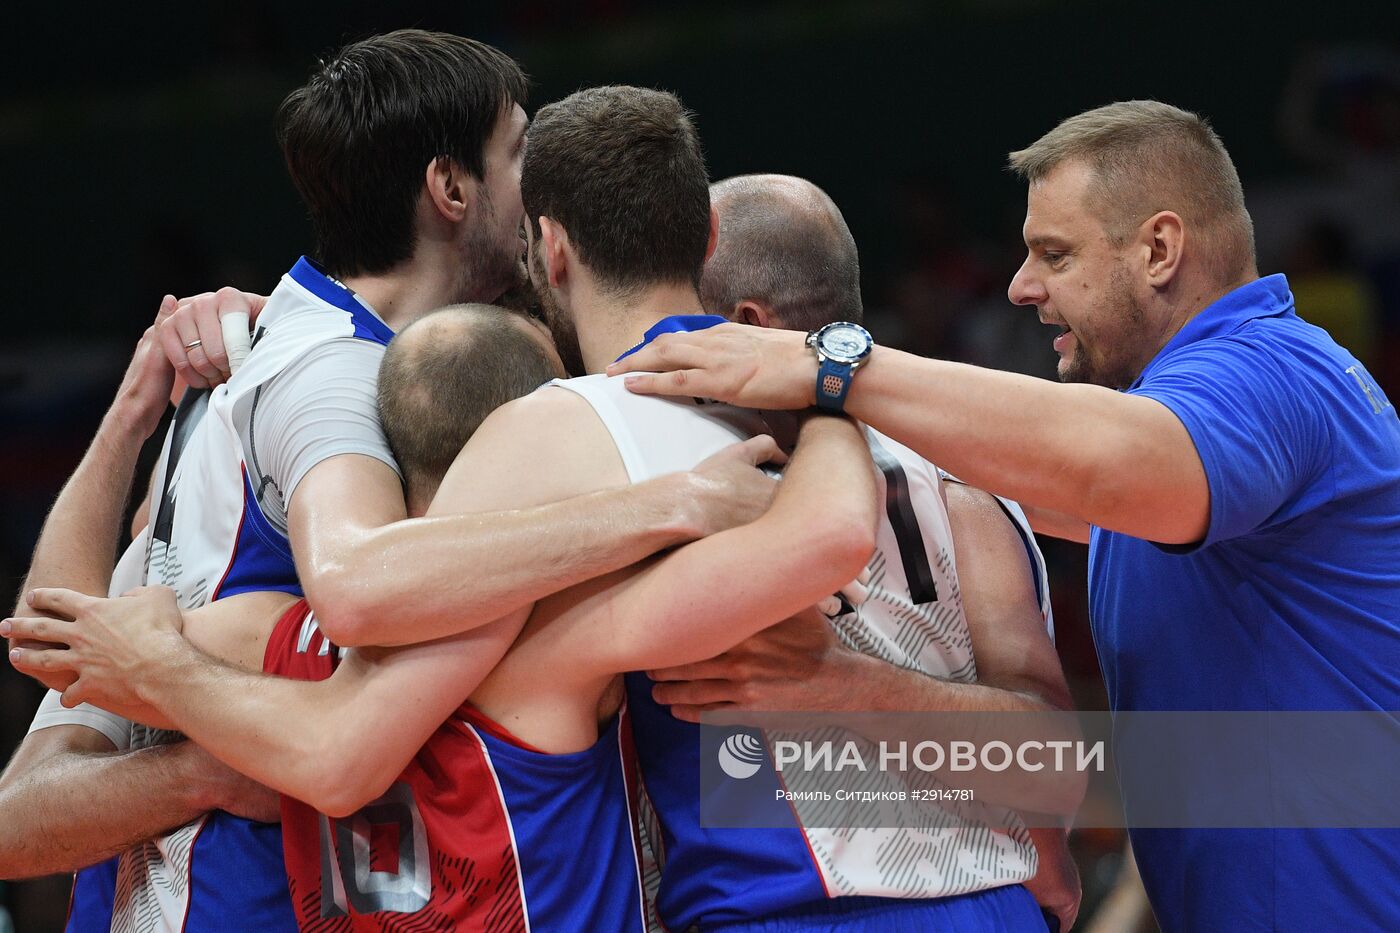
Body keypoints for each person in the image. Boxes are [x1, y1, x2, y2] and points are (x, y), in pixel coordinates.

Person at [8, 86, 879, 929]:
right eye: (517, 152)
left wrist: (165, 664)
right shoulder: (900, 457)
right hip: (883, 878)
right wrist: (838, 389)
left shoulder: (269, 634)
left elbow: (76, 649)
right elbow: (998, 767)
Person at [610, 100, 1400, 930]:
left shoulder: (1267, 373)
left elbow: (1102, 458)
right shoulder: (1215, 438)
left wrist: (827, 363)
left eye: (1054, 254)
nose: (1023, 287)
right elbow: (1010, 469)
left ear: (1160, 250)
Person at [627, 172, 1080, 931]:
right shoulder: (960, 483)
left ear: (745, 321)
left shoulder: (647, 482)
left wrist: (836, 683)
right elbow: (1049, 778)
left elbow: (1053, 769)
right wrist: (1044, 854)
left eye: (678, 311)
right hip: (975, 906)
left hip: (780, 908)